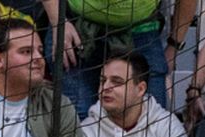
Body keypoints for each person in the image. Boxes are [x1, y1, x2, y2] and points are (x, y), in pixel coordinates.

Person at [56, 0, 191, 116]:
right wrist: (57, 21)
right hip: (77, 29)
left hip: (143, 32)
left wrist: (174, 46)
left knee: (152, 121)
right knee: (80, 116)